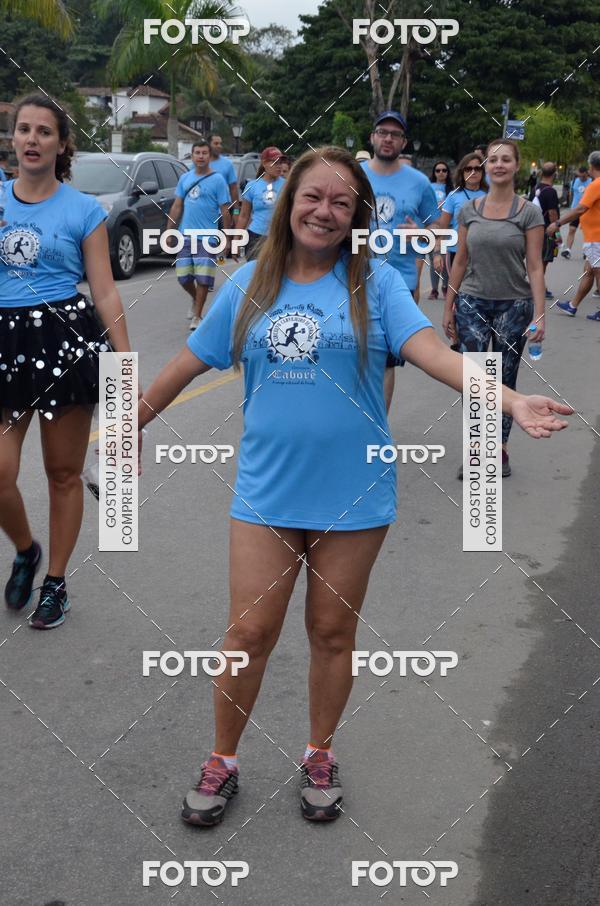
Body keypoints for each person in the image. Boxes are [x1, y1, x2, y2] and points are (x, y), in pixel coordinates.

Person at [137, 146, 570, 828]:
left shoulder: (378, 286)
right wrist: (129, 423)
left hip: (354, 495)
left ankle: (319, 753)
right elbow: (187, 362)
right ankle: (223, 759)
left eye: (342, 202)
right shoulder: (249, 283)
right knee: (248, 632)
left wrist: (510, 400)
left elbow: (436, 356)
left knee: (332, 631)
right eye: (313, 196)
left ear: (357, 215)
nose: (325, 211)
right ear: (290, 203)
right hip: (266, 491)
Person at [0, 94, 134, 629]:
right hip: (4, 344)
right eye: (23, 129)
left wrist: (124, 362)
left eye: (44, 131)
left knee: (62, 473)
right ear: (13, 138)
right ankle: (26, 549)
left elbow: (105, 291)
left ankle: (55, 582)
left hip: (64, 341)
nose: (32, 139)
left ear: (61, 145)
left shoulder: (83, 210)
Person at [442, 138, 546, 478]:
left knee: (504, 377)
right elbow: (460, 261)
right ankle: (476, 448)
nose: (498, 165)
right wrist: (449, 305)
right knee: (474, 378)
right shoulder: (468, 210)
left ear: (516, 166)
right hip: (472, 301)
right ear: (485, 166)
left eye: (505, 159)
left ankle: (499, 449)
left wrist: (540, 314)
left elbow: (535, 266)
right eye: (493, 160)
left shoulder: (529, 212)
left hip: (514, 306)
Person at [360, 110, 440, 409]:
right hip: (351, 277)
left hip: (398, 282)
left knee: (385, 360)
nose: (388, 138)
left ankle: (377, 426)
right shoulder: (353, 175)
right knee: (348, 353)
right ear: (372, 137)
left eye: (395, 134)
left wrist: (422, 233)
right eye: (382, 132)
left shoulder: (419, 182)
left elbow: (437, 229)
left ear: (403, 142)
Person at [167, 140, 232, 330]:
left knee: (203, 278)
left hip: (208, 237)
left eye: (204, 153)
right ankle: (195, 299)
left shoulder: (218, 180)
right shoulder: (185, 178)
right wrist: (169, 230)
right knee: (183, 277)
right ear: (192, 156)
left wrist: (227, 237)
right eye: (197, 153)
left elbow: (225, 210)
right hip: (185, 236)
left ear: (209, 156)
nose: (201, 156)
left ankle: (197, 316)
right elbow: (177, 205)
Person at [548, 150, 600, 320]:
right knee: (589, 271)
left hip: (596, 238)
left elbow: (580, 208)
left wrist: (557, 223)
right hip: (594, 237)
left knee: (597, 272)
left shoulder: (596, 184)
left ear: (591, 166)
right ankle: (573, 305)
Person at [436, 152, 487, 283]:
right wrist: (437, 254)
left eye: (477, 168)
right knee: (457, 291)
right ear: (462, 172)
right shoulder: (453, 196)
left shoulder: (490, 195)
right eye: (468, 169)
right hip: (456, 252)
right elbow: (442, 228)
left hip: (483, 253)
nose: (473, 172)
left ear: (483, 172)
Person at [236, 147, 285, 259]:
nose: (279, 166)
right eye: (274, 162)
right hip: (256, 236)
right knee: (254, 269)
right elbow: (244, 216)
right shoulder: (252, 186)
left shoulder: (288, 185)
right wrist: (236, 240)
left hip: (279, 237)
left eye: (280, 162)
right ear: (264, 163)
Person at [532, 162, 560, 297]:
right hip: (546, 230)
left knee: (537, 260)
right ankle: (538, 288)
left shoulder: (535, 188)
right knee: (543, 261)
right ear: (554, 174)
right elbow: (552, 214)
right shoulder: (551, 191)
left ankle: (538, 286)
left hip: (533, 229)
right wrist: (557, 233)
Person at [427, 160, 453, 300]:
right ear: (434, 173)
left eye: (444, 170)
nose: (441, 173)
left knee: (445, 258)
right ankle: (434, 289)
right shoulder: (429, 187)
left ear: (448, 173)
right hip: (433, 227)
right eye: (438, 170)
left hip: (447, 227)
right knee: (434, 259)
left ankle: (445, 286)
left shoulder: (452, 190)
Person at [561, 165, 592, 259]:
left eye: (583, 176)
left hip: (587, 210)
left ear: (586, 173)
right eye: (579, 176)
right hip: (575, 209)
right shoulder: (574, 181)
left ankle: (587, 251)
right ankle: (568, 250)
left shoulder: (591, 182)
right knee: (572, 229)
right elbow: (572, 194)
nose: (581, 178)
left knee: (587, 231)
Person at [208, 133, 239, 220]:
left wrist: (236, 212)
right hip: (204, 213)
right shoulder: (200, 164)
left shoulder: (227, 164)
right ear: (208, 145)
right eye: (216, 143)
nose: (219, 146)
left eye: (220, 143)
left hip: (223, 212)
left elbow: (233, 189)